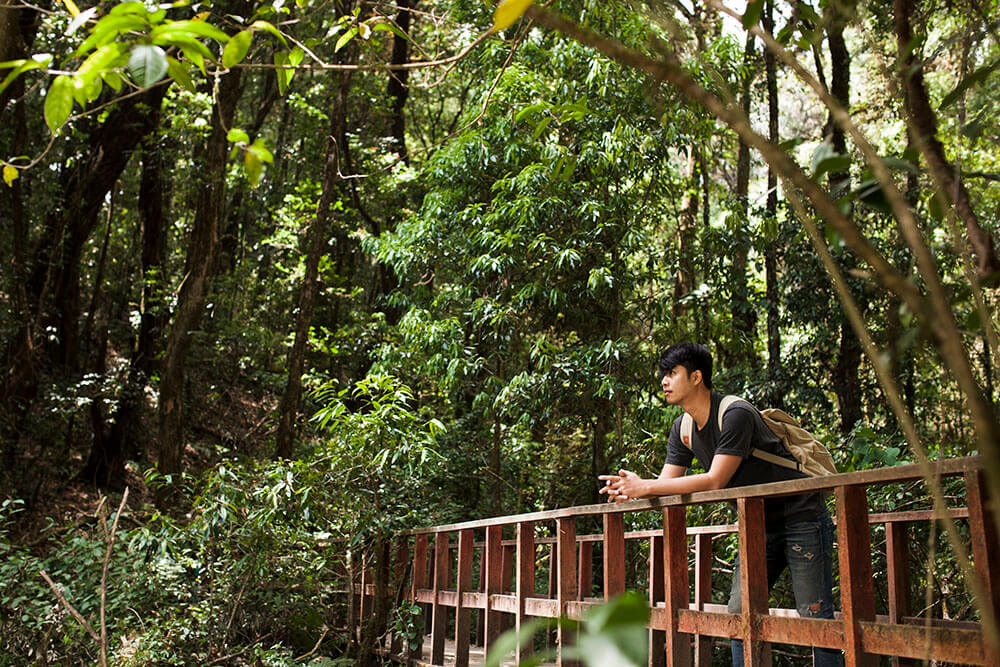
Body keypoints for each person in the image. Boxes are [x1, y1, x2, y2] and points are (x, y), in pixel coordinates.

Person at [598, 342, 842, 666]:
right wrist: (633, 490)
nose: (664, 382)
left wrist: (646, 486)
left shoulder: (735, 413)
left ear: (696, 377)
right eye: (663, 375)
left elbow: (715, 480)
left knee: (814, 617)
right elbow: (665, 484)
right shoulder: (682, 429)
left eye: (672, 373)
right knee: (739, 615)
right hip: (755, 524)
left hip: (802, 517)